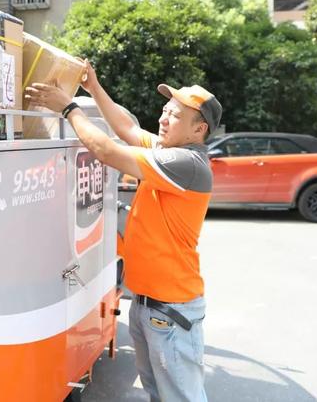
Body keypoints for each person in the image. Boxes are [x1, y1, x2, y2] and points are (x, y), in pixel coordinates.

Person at [25, 61, 222, 402]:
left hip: (170, 310)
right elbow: (127, 127)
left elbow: (107, 151)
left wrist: (69, 108)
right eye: (165, 110)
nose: (163, 118)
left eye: (174, 115)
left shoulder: (187, 164)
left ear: (198, 129)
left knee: (181, 397)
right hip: (149, 306)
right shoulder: (166, 151)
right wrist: (94, 87)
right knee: (159, 394)